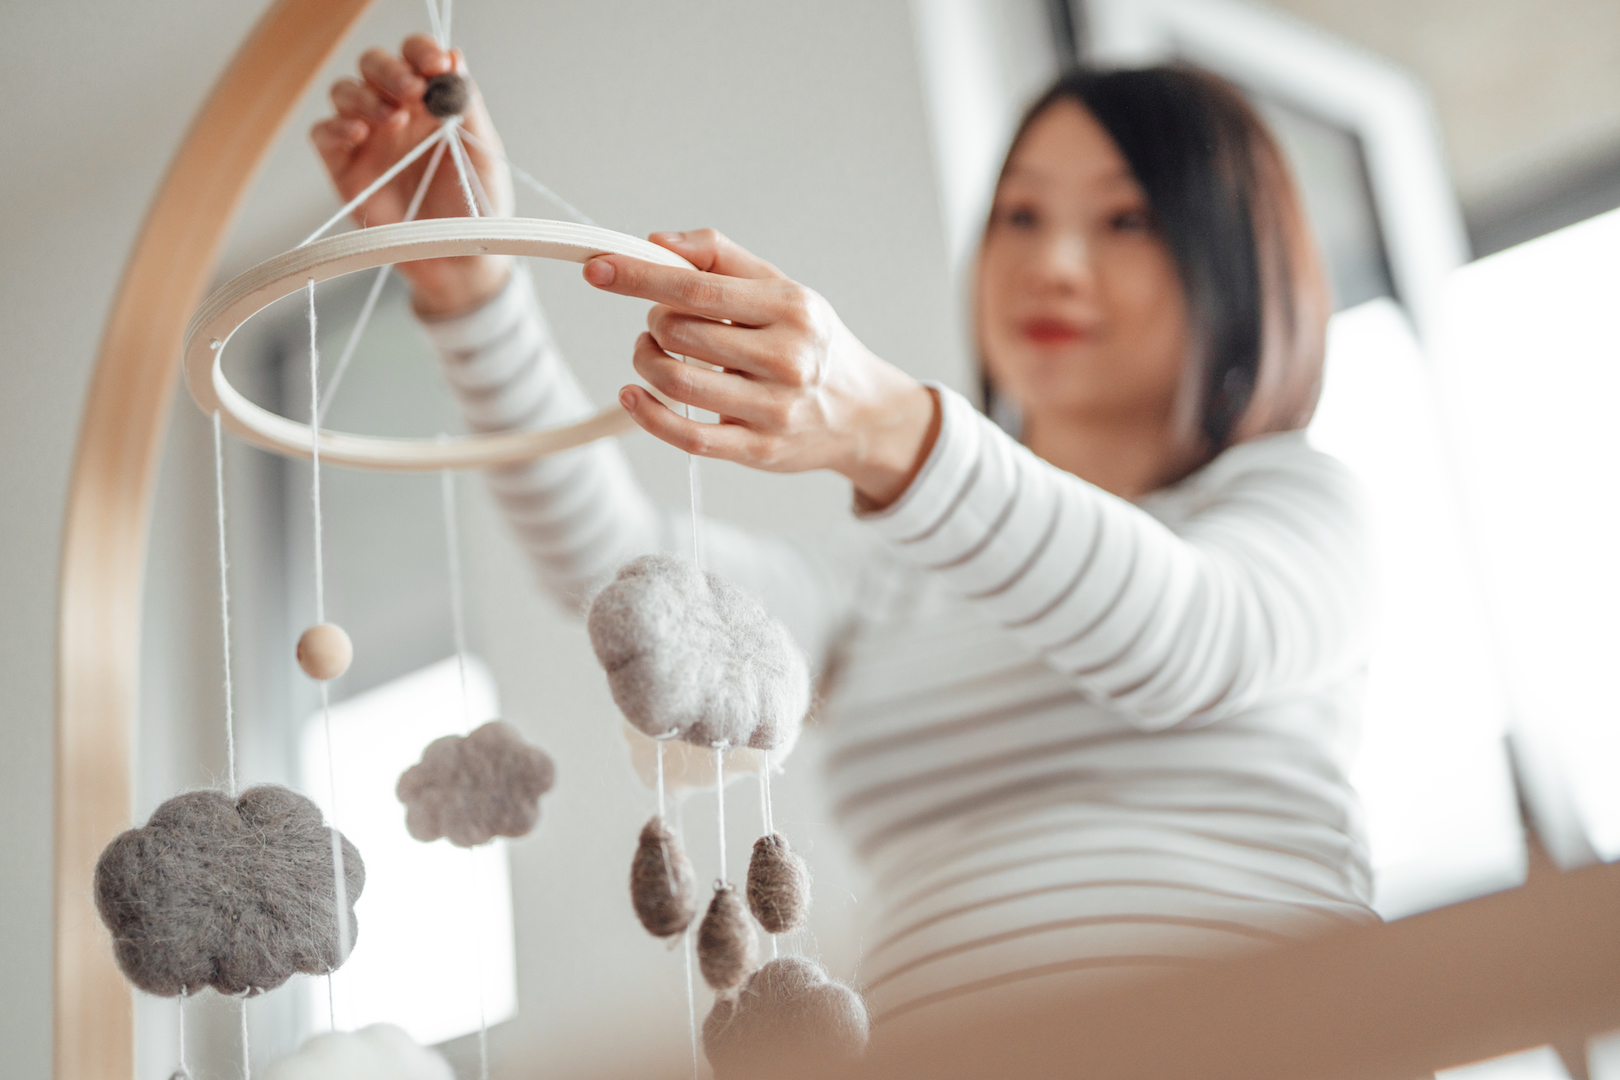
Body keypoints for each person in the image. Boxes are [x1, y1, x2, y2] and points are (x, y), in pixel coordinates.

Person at [313, 35, 1374, 1035]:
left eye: (1124, 219)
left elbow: (1191, 640)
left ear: (1234, 256)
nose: (1052, 261)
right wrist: (474, 294)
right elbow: (641, 593)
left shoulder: (1295, 504)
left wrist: (888, 429)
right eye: (1017, 215)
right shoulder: (893, 568)